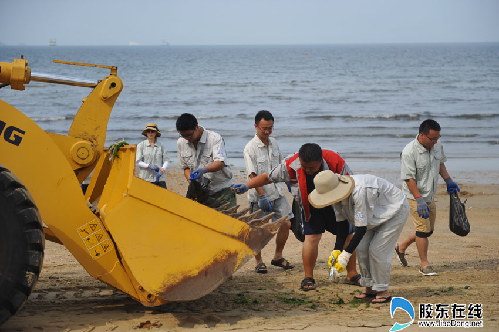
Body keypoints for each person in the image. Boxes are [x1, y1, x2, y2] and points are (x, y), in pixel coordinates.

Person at [233, 143, 361, 291]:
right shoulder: (291, 164)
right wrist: (247, 185)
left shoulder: (335, 161)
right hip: (310, 205)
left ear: (321, 161)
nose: (307, 170)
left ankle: (352, 274)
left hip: (336, 205)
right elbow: (268, 177)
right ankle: (308, 277)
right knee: (312, 238)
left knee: (347, 236)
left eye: (311, 168)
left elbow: (352, 184)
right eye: (304, 166)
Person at [308, 170, 410, 304]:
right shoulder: (336, 197)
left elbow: (360, 229)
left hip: (394, 209)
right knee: (362, 248)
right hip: (373, 214)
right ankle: (369, 287)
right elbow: (342, 226)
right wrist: (336, 250)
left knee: (377, 250)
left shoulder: (358, 192)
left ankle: (382, 290)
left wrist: (346, 255)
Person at [395, 119, 460, 276]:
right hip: (414, 196)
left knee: (427, 229)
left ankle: (401, 247)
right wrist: (419, 199)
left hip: (430, 194)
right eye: (432, 139)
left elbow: (441, 164)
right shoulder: (409, 152)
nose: (435, 141)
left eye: (438, 138)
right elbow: (409, 178)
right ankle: (424, 265)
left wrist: (449, 180)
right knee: (423, 231)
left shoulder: (436, 146)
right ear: (422, 135)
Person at [243, 110, 294, 274]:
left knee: (286, 223)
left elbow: (282, 166)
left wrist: (290, 183)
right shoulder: (249, 148)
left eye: (270, 128)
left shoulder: (274, 143)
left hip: (277, 192)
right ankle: (259, 261)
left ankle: (278, 257)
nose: (267, 132)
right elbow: (252, 176)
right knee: (257, 229)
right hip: (259, 196)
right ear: (256, 126)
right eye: (264, 128)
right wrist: (262, 195)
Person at [176, 113, 236, 208]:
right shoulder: (181, 142)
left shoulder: (214, 139)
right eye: (183, 136)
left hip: (222, 191)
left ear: (196, 127)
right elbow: (186, 167)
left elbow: (220, 163)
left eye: (189, 135)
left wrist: (205, 169)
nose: (187, 138)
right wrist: (193, 184)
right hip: (201, 194)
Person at [136, 123, 169, 188]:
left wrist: (162, 168)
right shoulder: (141, 145)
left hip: (160, 178)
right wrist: (149, 166)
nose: (150, 133)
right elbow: (138, 162)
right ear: (146, 133)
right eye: (148, 131)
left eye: (152, 131)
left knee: (162, 197)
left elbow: (166, 160)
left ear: (156, 133)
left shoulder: (161, 145)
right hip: (145, 178)